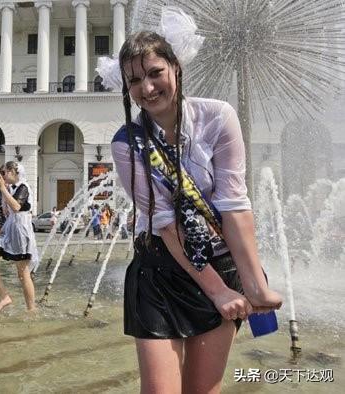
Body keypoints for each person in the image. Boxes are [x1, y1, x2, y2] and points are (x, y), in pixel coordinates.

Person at [99, 7, 283, 393]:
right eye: (134, 80)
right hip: (159, 269)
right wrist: (217, 290)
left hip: (218, 258)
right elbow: (163, 222)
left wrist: (252, 284)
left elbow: (234, 204)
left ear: (175, 68)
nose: (147, 88)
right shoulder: (125, 142)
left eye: (154, 73)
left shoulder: (218, 117)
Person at [0, 161, 39, 313]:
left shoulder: (23, 187)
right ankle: (4, 296)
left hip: (20, 231)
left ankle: (31, 309)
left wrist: (2, 188)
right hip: (10, 229)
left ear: (13, 171)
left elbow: (16, 207)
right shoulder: (12, 188)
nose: (3, 176)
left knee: (23, 273)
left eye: (5, 173)